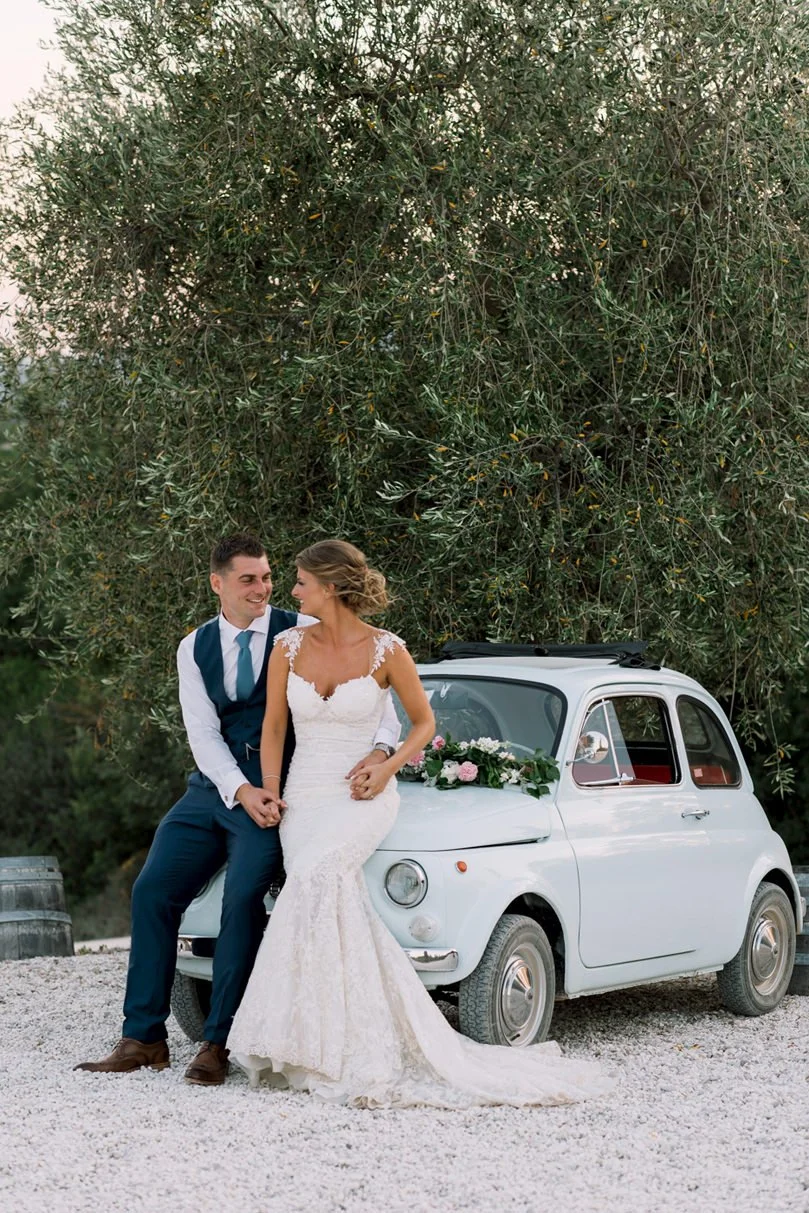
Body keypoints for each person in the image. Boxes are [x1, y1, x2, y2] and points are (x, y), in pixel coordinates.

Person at [227, 539, 612, 1108]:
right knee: (320, 888)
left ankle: (321, 1042)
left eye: (301, 581)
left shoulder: (387, 650)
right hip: (304, 797)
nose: (292, 591)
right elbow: (274, 729)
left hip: (363, 794)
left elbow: (424, 725)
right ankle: (312, 1036)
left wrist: (386, 768)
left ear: (330, 587)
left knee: (319, 878)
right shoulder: (287, 647)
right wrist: (270, 789)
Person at [75, 533, 400, 1085]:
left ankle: (218, 1041)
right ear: (217, 583)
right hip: (213, 790)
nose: (263, 588)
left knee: (243, 896)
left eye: (268, 577)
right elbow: (202, 734)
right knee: (152, 890)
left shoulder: (302, 631)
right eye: (249, 579)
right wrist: (239, 789)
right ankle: (144, 1036)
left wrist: (381, 751)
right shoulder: (193, 647)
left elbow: (377, 699)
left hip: (281, 793)